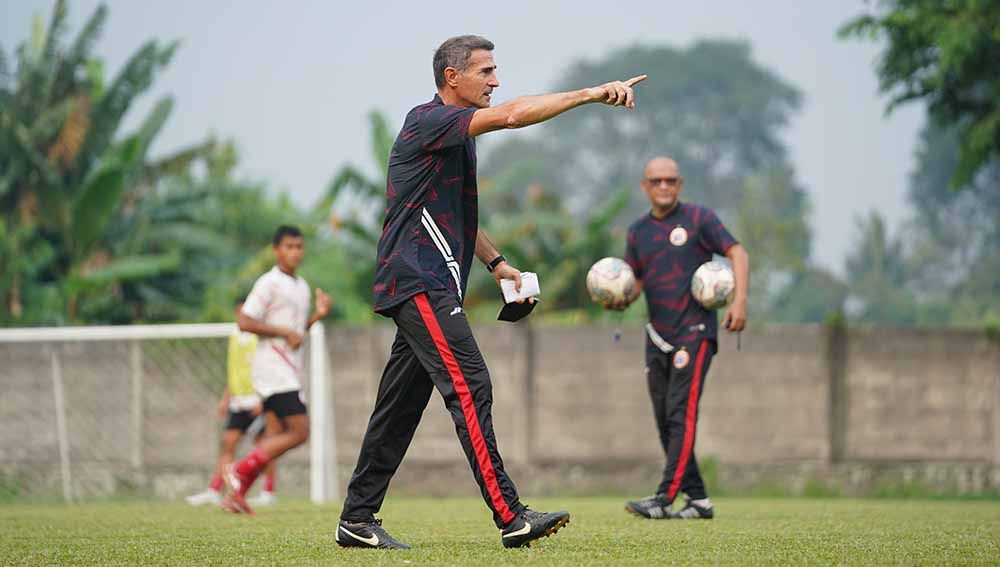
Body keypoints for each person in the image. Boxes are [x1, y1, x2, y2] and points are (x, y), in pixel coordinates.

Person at [337, 34, 646, 550]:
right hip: (419, 282)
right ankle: (511, 515)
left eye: (496, 71)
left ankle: (357, 518)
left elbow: (455, 215)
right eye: (486, 71)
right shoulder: (429, 120)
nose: (496, 81)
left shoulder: (455, 138)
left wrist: (498, 263)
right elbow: (513, 115)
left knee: (398, 408)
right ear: (452, 77)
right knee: (471, 384)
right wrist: (590, 94)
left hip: (429, 283)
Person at [611, 157, 749, 520]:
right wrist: (620, 295)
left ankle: (664, 497)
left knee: (679, 413)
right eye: (656, 181)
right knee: (663, 418)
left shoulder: (700, 220)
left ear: (680, 184)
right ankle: (699, 500)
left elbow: (737, 252)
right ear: (645, 186)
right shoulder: (637, 231)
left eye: (670, 181)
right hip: (657, 334)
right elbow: (636, 280)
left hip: (695, 331)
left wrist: (739, 301)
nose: (664, 187)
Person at [221, 225, 331, 515]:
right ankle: (239, 470)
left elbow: (295, 336)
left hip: (289, 368)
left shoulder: (302, 287)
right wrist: (283, 331)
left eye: (299, 247)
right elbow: (244, 322)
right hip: (271, 369)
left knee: (275, 434)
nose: (295, 252)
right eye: (289, 247)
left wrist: (315, 318)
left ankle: (237, 493)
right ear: (276, 250)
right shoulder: (268, 283)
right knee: (300, 431)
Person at [185, 299, 279, 507]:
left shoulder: (260, 337)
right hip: (238, 401)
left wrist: (264, 399)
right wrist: (226, 398)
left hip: (258, 400)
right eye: (239, 312)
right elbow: (234, 369)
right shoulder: (235, 336)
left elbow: (268, 368)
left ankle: (268, 492)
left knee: (264, 447)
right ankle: (215, 489)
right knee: (228, 443)